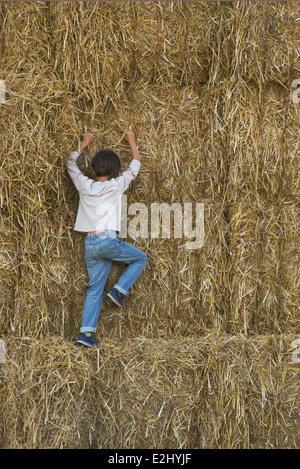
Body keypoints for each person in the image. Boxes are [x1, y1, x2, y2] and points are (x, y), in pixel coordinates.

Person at [66, 130, 147, 348]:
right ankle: (119, 291)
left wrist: (84, 143)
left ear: (92, 170)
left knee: (94, 289)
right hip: (108, 241)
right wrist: (131, 140)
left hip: (90, 244)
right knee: (140, 258)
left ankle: (86, 333)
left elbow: (70, 163)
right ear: (116, 171)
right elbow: (136, 164)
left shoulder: (84, 184)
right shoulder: (117, 184)